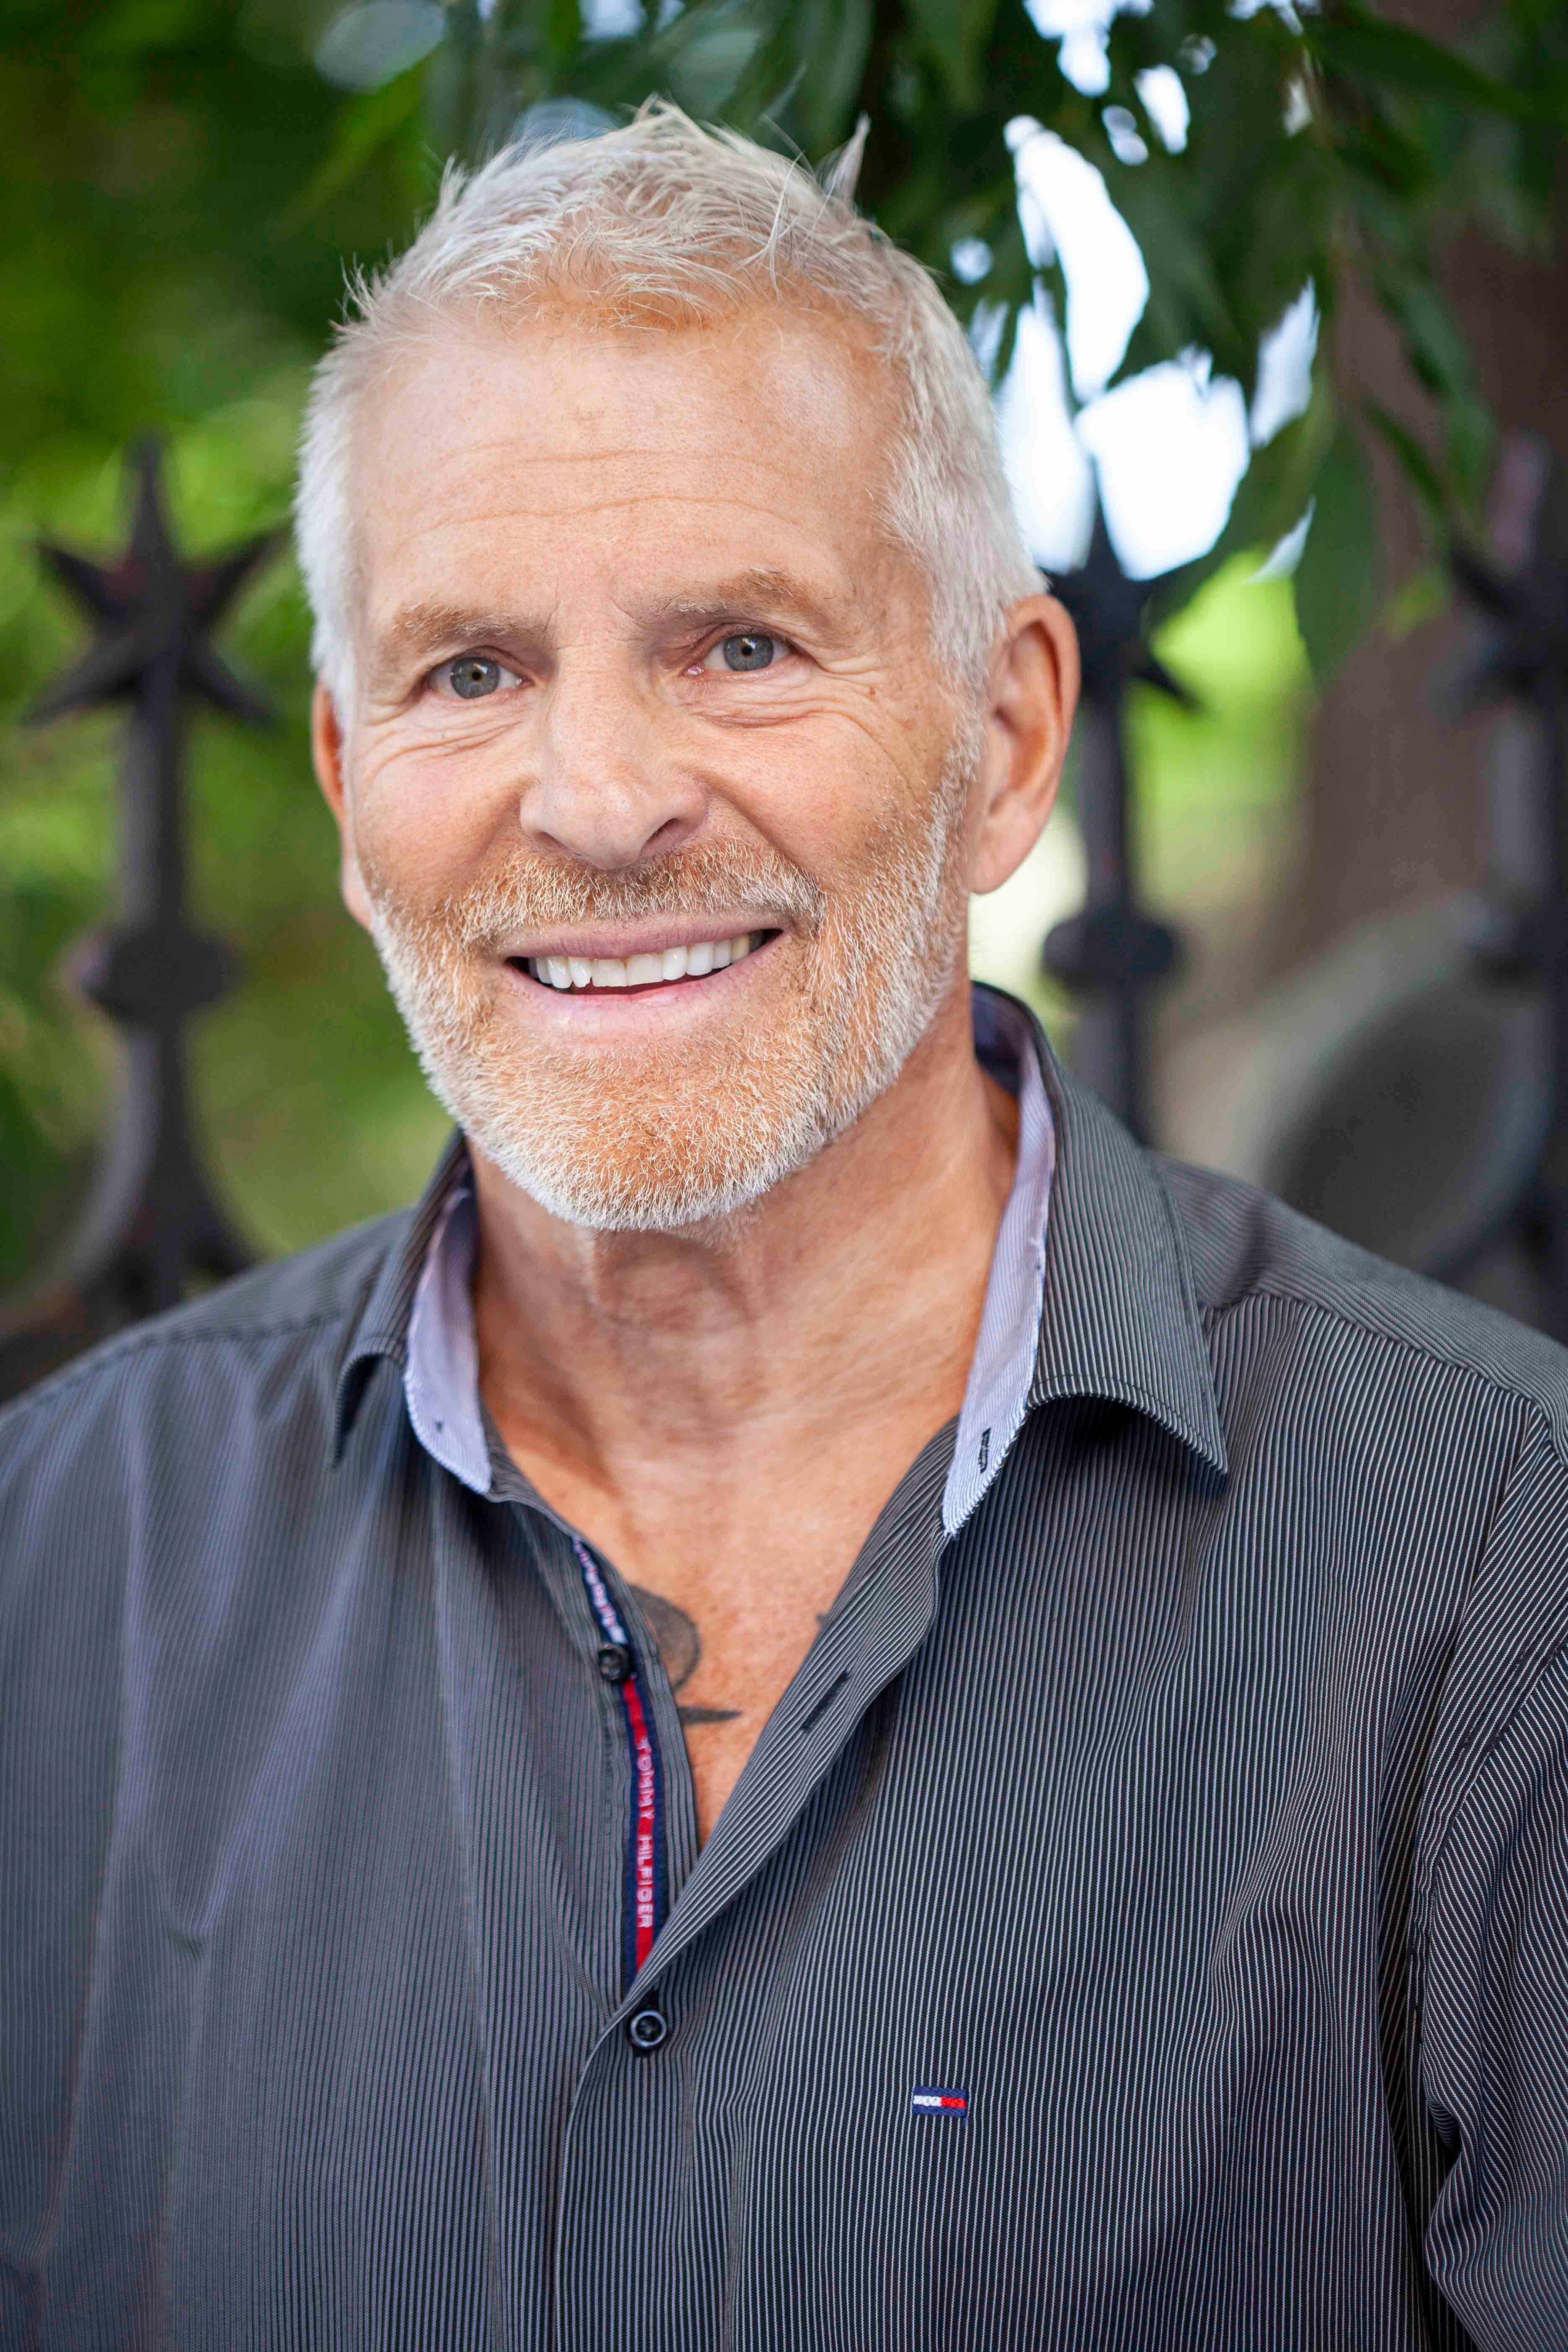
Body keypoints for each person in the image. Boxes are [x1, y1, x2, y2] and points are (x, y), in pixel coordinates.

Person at [3, 101, 1567, 2352]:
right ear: (350, 792)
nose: (600, 800)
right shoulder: (63, 1567)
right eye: (471, 671)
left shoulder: (1494, 1560)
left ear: (1004, 737)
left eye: (741, 644)